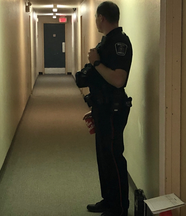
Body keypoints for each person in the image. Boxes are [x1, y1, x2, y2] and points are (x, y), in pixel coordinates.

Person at [83, 1, 133, 216]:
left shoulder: (119, 43)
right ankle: (109, 200)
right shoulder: (106, 42)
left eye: (96, 17)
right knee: (104, 158)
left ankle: (119, 208)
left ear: (101, 17)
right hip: (103, 109)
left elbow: (118, 80)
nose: (95, 21)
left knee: (113, 157)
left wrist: (95, 63)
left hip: (114, 111)